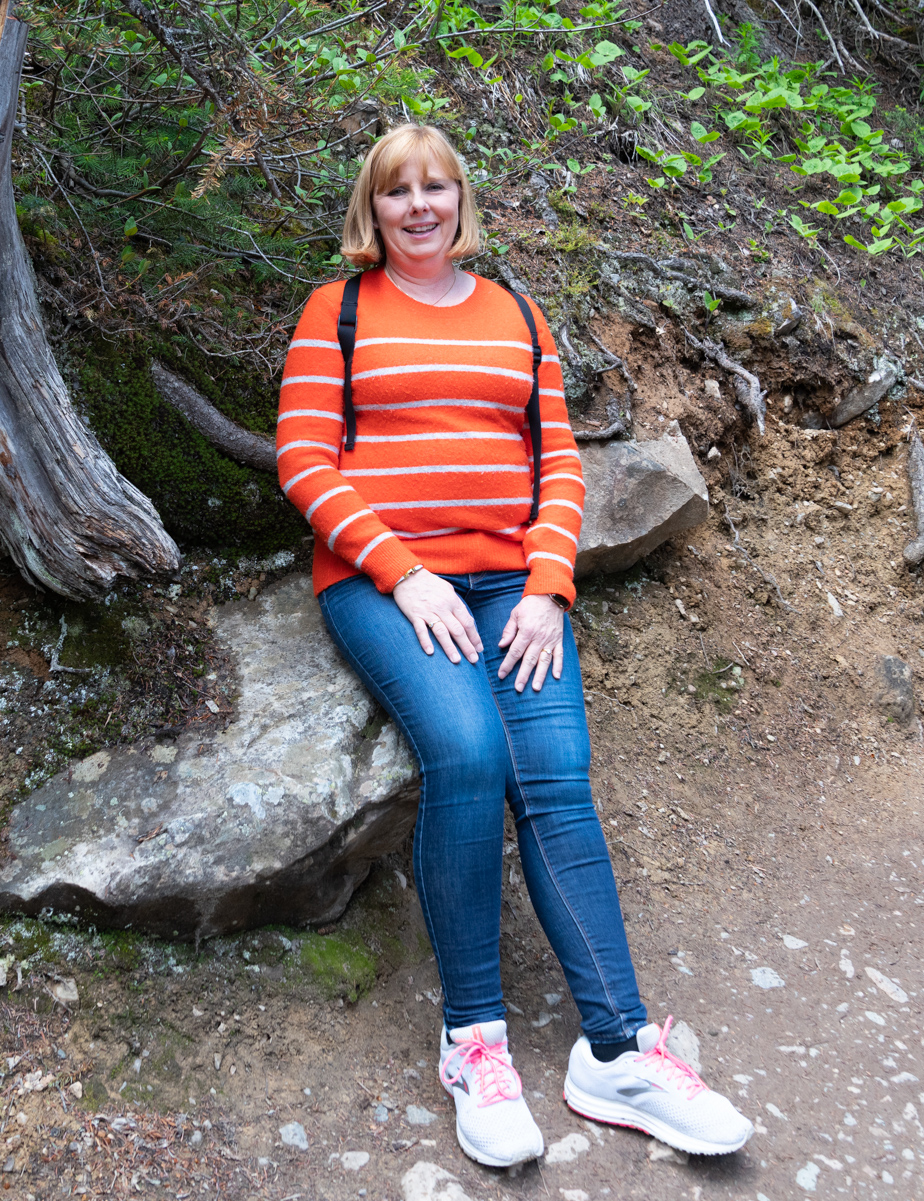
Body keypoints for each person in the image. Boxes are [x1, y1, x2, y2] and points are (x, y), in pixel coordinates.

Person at [275, 123, 753, 1167]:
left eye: (435, 187)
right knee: (470, 752)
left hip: (511, 589)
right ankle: (475, 1045)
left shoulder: (514, 310)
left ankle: (618, 1052)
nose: (418, 207)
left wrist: (548, 585)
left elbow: (561, 463)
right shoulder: (338, 311)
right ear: (375, 207)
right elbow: (304, 461)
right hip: (383, 582)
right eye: (397, 191)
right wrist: (402, 573)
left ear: (459, 200)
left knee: (556, 771)